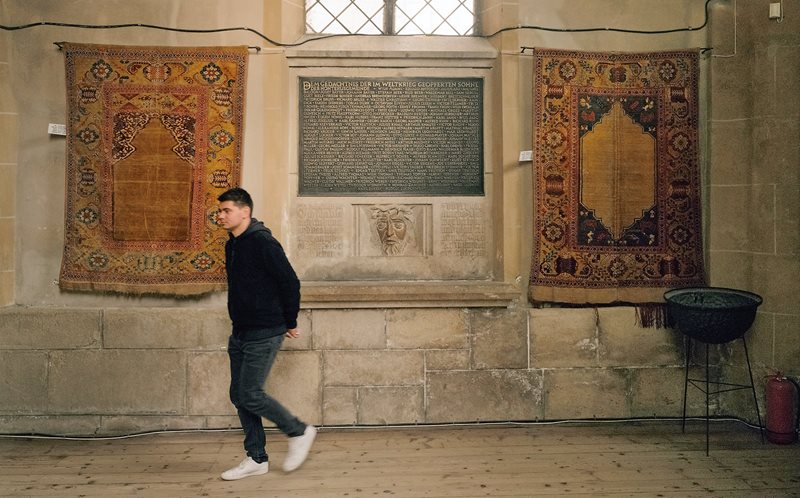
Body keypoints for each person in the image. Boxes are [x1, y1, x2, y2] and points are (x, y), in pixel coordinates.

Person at [216, 187, 316, 480]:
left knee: (250, 393)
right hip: (241, 332)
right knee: (239, 395)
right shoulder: (232, 244)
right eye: (219, 211)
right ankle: (257, 458)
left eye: (226, 211)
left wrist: (290, 321)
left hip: (266, 329)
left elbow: (290, 282)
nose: (220, 216)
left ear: (244, 212)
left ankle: (299, 431)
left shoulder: (263, 243)